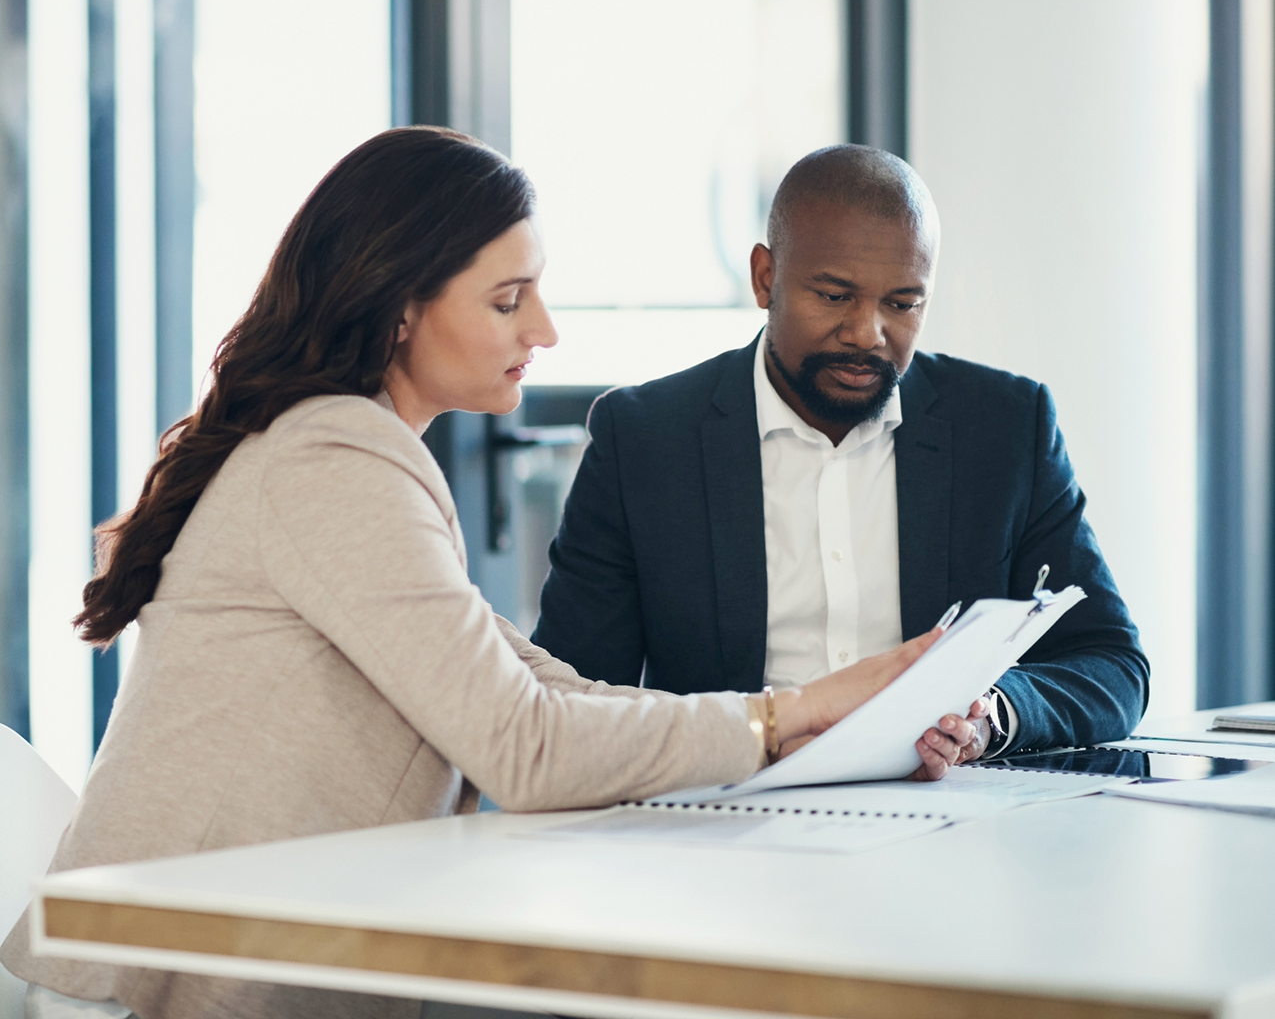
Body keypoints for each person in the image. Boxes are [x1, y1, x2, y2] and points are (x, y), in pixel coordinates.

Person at [2, 129, 980, 1019]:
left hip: (228, 970)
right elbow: (523, 748)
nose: (543, 330)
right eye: (508, 300)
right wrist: (777, 720)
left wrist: (804, 717)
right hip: (170, 992)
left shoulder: (347, 450)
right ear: (399, 308)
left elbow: (543, 686)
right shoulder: (334, 458)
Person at [533, 144, 1149, 761]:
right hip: (725, 803)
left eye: (902, 304)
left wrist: (992, 714)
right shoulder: (645, 440)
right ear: (765, 278)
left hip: (948, 806)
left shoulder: (1006, 428)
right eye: (834, 296)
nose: (866, 333)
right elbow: (566, 703)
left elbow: (1111, 664)